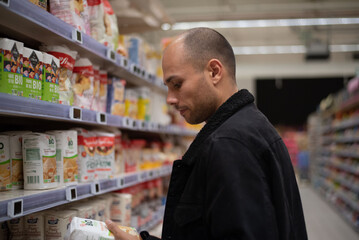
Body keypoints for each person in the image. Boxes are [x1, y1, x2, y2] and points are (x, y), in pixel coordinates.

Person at [106, 27, 308, 240]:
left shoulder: (230, 145)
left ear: (214, 71)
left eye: (177, 84)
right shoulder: (251, 126)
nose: (170, 99)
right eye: (168, 87)